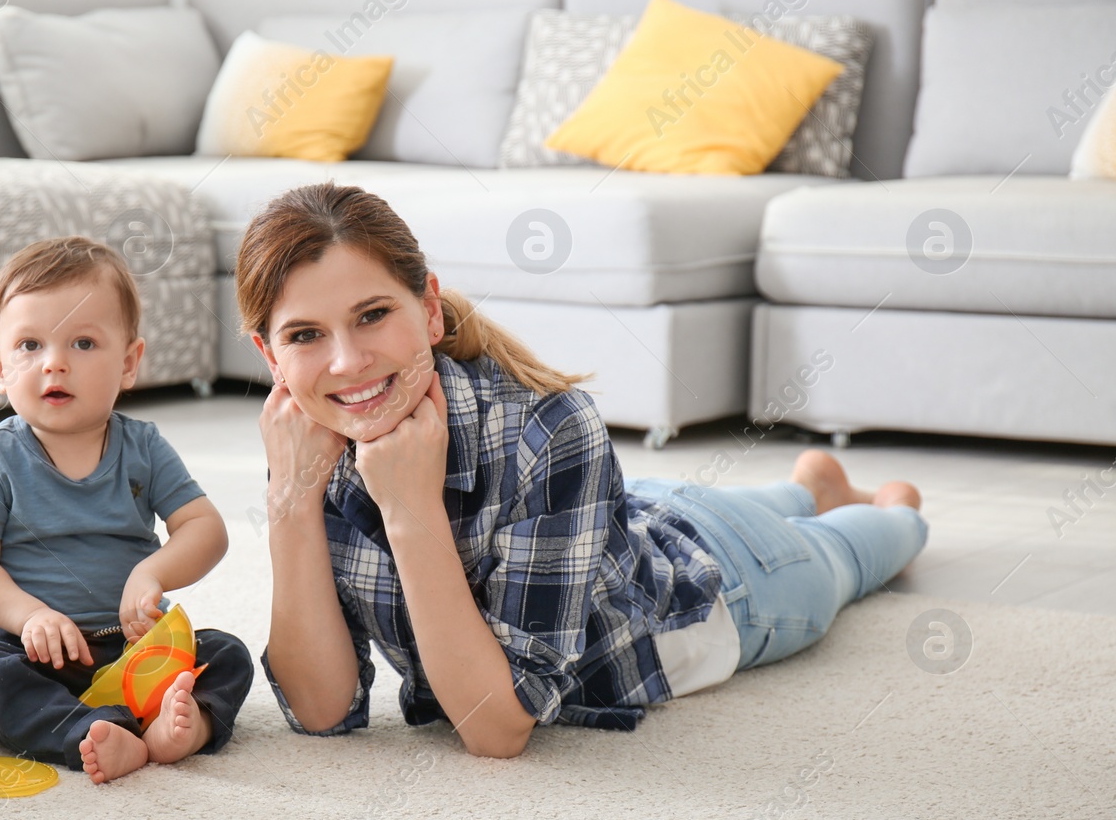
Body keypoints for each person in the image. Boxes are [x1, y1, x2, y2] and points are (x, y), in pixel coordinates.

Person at [239, 183, 928, 759]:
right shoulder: (308, 440)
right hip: (625, 520)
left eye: (372, 315)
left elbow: (495, 726)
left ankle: (875, 503)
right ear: (269, 355)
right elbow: (322, 711)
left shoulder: (552, 427)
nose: (346, 362)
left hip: (735, 581)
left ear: (427, 308)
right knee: (687, 506)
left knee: (860, 546)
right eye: (304, 335)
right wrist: (291, 502)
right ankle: (808, 486)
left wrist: (409, 508)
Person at [0, 236, 253, 784]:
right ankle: (92, 730)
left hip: (129, 649)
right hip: (25, 648)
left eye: (83, 343)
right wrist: (28, 615)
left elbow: (206, 530)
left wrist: (153, 571)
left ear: (129, 363)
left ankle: (187, 726)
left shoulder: (143, 448)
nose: (54, 364)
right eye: (29, 346)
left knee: (227, 655)